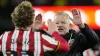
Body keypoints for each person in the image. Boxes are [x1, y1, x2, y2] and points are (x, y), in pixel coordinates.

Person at [0, 1, 70, 56]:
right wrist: (55, 33)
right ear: (31, 21)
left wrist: (35, 31)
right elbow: (66, 47)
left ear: (13, 20)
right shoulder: (40, 38)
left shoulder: (3, 37)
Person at [33, 9, 99, 56]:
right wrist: (35, 32)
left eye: (63, 22)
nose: (60, 25)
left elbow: (94, 40)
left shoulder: (77, 37)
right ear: (53, 25)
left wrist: (82, 25)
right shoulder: (46, 39)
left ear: (69, 25)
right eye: (57, 23)